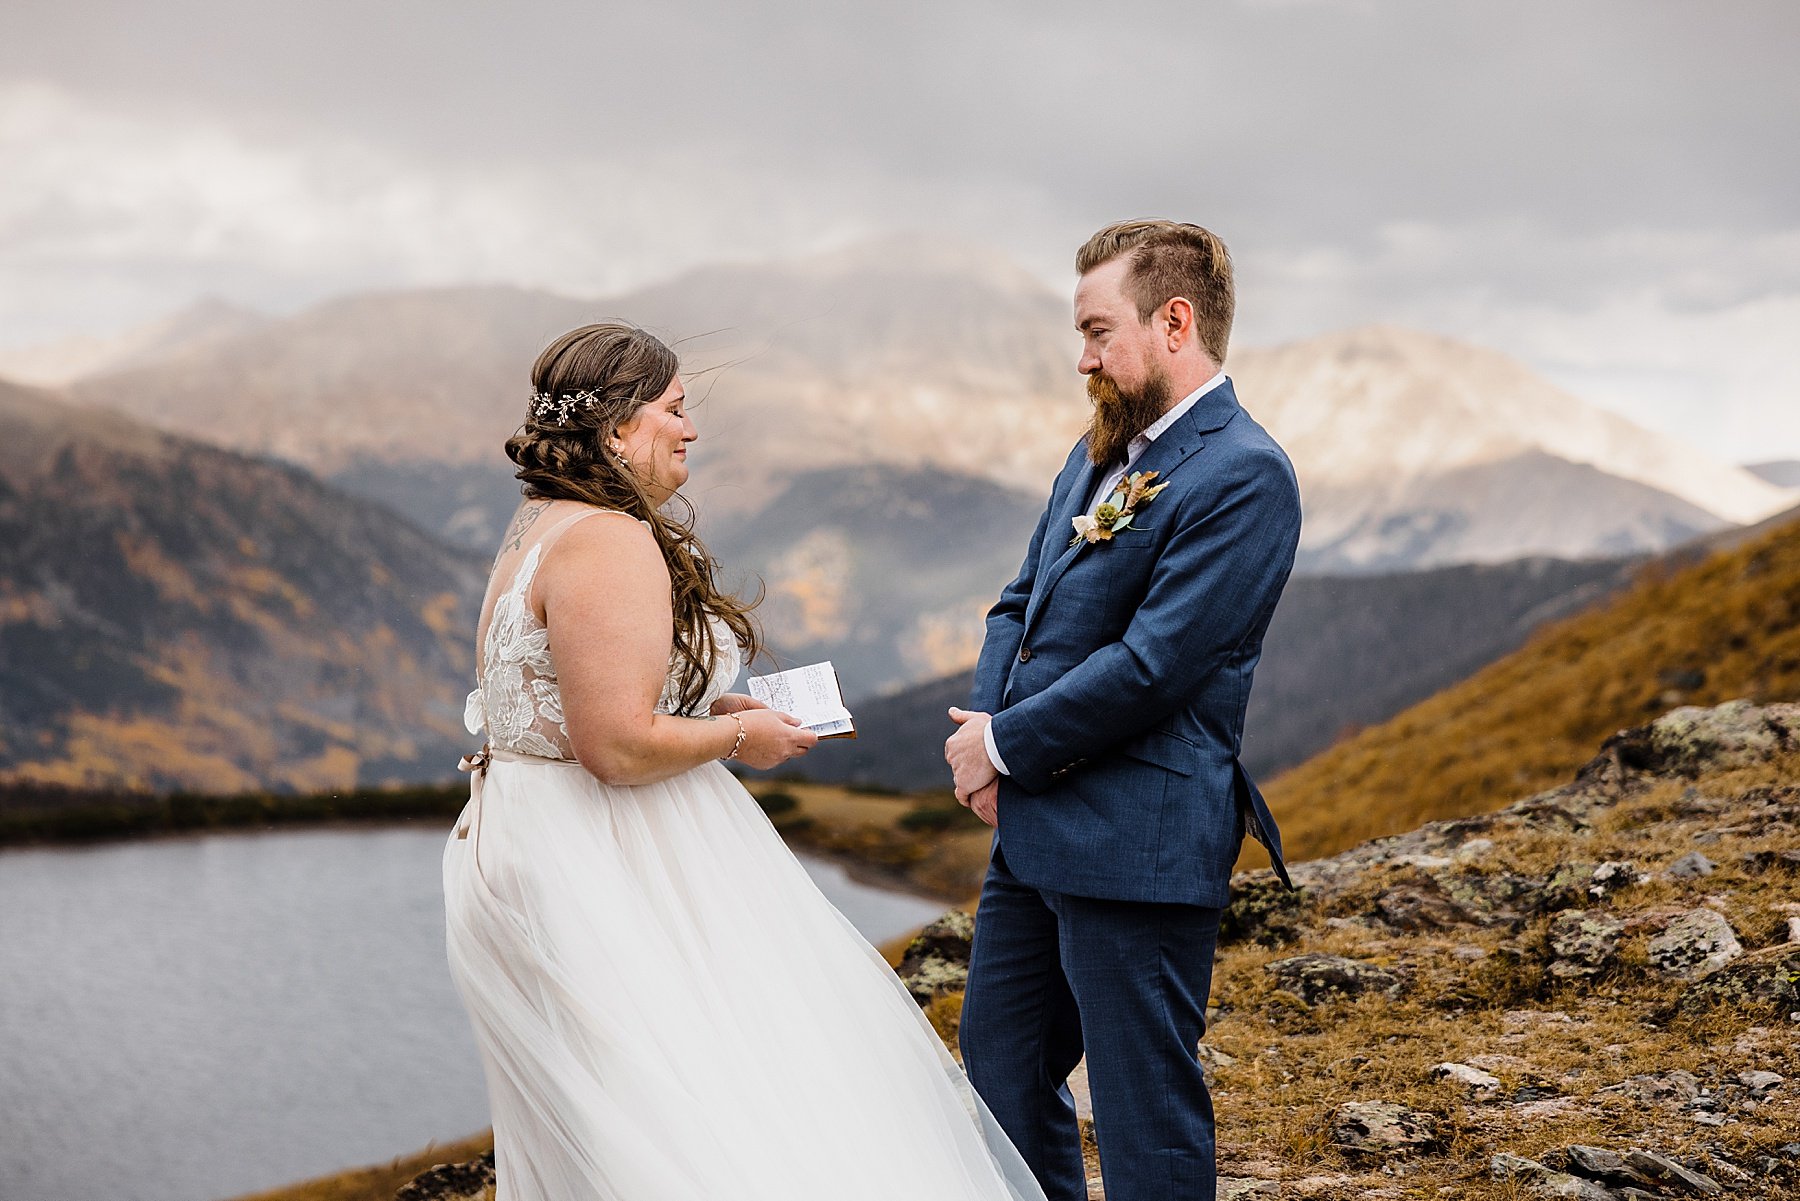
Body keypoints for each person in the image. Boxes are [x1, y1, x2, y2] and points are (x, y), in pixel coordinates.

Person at [443, 322, 1050, 1201]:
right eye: (675, 410)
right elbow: (612, 745)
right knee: (713, 1093)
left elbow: (564, 702)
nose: (691, 431)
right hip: (606, 854)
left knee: (616, 1110)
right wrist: (741, 738)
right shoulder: (609, 537)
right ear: (616, 428)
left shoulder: (537, 524)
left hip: (526, 837)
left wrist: (701, 704)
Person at [945, 220, 1302, 1201]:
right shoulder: (1098, 453)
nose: (1085, 356)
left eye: (1099, 330)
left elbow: (1154, 667)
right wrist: (984, 737)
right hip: (1035, 827)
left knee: (1144, 1112)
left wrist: (1004, 745)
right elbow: (1019, 604)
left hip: (1139, 841)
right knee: (1004, 1066)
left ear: (1174, 321)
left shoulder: (1245, 473)